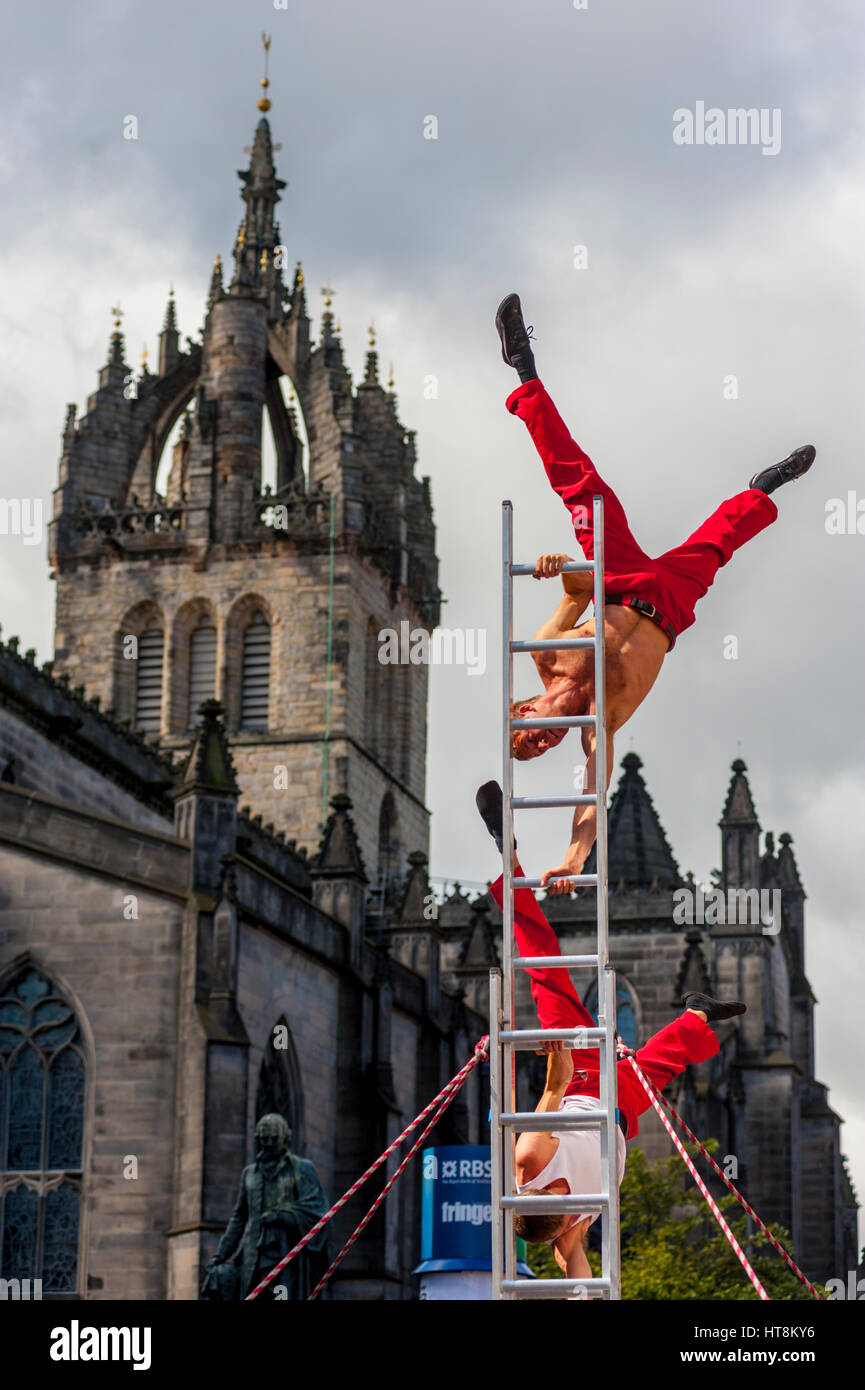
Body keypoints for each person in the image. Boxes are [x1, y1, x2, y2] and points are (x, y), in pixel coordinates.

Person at [495, 292, 816, 893]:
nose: (540, 741)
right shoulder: (601, 723)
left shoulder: (545, 654)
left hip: (616, 580)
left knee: (584, 490)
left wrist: (553, 564)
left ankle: (524, 371)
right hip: (667, 607)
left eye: (528, 735)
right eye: (538, 751)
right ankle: (767, 486)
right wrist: (570, 859)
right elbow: (592, 794)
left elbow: (576, 586)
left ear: (524, 707)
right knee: (719, 543)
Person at [476, 780, 745, 1280]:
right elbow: (573, 1265)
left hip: (581, 1080)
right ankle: (698, 1013)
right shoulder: (569, 1223)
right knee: (659, 1066)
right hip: (616, 1107)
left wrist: (536, 1048)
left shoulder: (531, 1162)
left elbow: (555, 1084)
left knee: (545, 970)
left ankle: (508, 862)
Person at [201, 1113, 330, 1300]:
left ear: (286, 1138)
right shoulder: (249, 1174)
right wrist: (220, 1256)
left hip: (288, 1254)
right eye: (264, 1139)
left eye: (274, 1139)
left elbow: (316, 1210)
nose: (269, 1143)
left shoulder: (302, 1169)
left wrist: (282, 1215)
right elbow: (239, 1218)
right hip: (252, 1255)